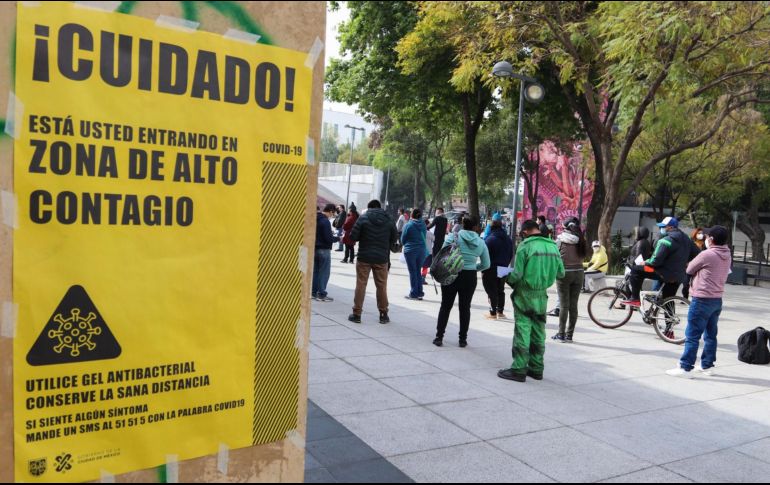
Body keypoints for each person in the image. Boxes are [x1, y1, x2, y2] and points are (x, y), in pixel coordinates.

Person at [498, 220, 564, 382]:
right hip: (541, 295)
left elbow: (517, 274)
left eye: (522, 231)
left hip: (524, 294)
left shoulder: (526, 246)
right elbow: (561, 273)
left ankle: (519, 369)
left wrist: (506, 277)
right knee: (538, 332)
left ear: (526, 231)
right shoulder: (553, 246)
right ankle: (536, 368)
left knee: (523, 330)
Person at [666, 226, 732, 378]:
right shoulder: (727, 253)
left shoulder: (707, 254)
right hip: (716, 299)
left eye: (707, 236)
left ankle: (685, 367)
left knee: (692, 335)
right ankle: (707, 365)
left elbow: (689, 269)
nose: (705, 238)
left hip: (702, 298)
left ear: (711, 239)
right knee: (710, 334)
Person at [433, 215, 490, 348]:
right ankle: (462, 340)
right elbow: (486, 264)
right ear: (476, 227)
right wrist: (474, 268)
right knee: (465, 308)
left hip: (451, 273)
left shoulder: (453, 237)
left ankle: (439, 337)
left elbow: (442, 254)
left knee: (445, 306)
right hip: (469, 277)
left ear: (462, 224)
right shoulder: (481, 242)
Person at [622, 217, 700, 307]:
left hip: (664, 273)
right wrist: (685, 262)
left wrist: (646, 262)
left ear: (670, 227)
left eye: (663, 226)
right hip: (679, 275)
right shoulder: (687, 240)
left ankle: (635, 298)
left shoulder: (665, 241)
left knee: (635, 270)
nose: (661, 228)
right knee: (668, 300)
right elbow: (697, 253)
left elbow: (655, 261)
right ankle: (670, 320)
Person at [348, 200, 398, 324]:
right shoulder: (389, 220)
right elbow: (394, 239)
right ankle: (383, 314)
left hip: (364, 257)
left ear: (369, 208)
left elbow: (353, 237)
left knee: (361, 284)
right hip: (382, 258)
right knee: (381, 286)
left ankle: (357, 314)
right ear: (379, 207)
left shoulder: (363, 218)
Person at [553, 218, 587, 342]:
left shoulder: (559, 241)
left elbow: (554, 258)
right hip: (579, 273)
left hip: (564, 274)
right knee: (573, 305)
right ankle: (569, 335)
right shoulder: (581, 241)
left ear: (565, 227)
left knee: (563, 306)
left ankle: (561, 334)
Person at [482, 214, 513, 320]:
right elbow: (511, 254)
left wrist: (484, 268)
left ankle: (493, 313)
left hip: (491, 268)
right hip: (504, 267)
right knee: (500, 290)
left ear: (491, 228)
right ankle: (500, 311)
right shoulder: (508, 239)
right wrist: (505, 263)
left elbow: (485, 256)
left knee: (491, 290)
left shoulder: (490, 240)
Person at [312, 204, 340, 302]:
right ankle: (322, 294)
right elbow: (328, 238)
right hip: (324, 249)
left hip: (315, 249)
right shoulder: (325, 221)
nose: (332, 216)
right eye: (333, 214)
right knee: (324, 272)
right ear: (331, 211)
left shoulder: (315, 218)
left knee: (315, 271)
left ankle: (313, 292)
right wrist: (337, 238)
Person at [401, 209, 428, 300]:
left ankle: (413, 293)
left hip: (411, 251)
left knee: (413, 272)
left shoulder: (408, 225)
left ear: (412, 215)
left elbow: (403, 239)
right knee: (418, 271)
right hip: (422, 251)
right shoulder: (423, 224)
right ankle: (420, 292)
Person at [421, 218, 435, 284]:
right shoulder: (429, 233)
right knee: (425, 266)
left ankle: (417, 278)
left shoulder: (419, 232)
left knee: (418, 266)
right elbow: (434, 239)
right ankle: (423, 279)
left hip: (420, 252)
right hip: (428, 252)